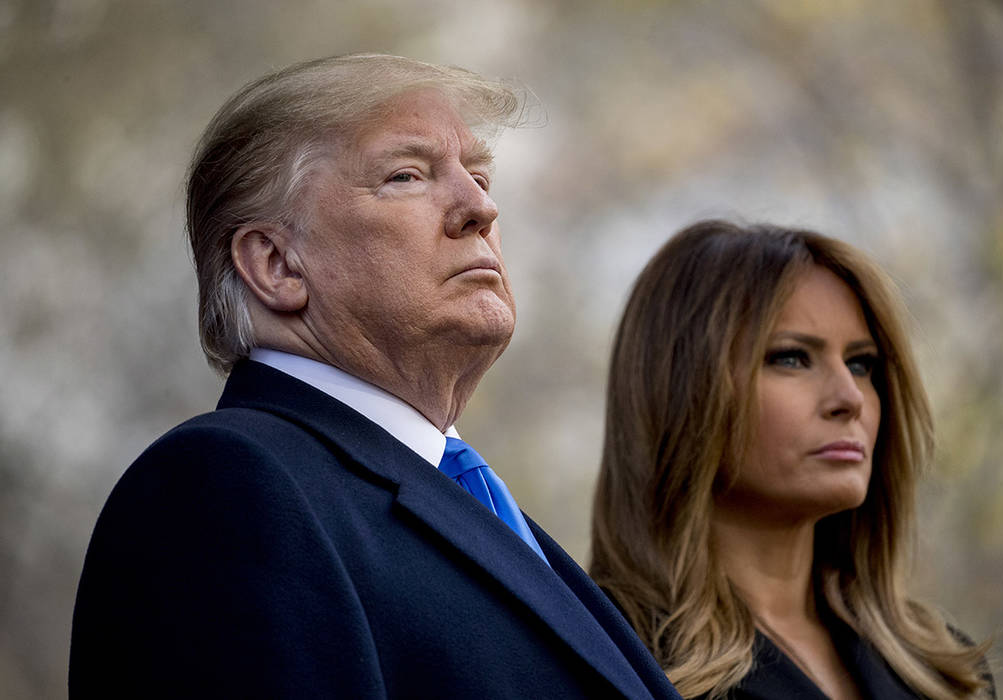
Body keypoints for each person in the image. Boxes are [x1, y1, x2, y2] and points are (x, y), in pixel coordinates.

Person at [70, 54, 681, 700]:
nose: (480, 209)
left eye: (479, 176)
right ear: (276, 264)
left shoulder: (455, 494)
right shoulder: (220, 491)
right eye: (406, 175)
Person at [589, 220, 994, 699]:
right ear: (682, 391)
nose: (850, 398)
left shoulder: (943, 669)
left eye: (862, 364)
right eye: (792, 358)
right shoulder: (606, 660)